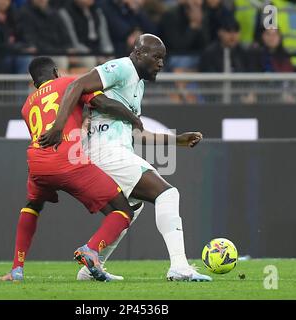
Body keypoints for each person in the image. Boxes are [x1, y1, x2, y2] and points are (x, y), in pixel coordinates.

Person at [39, 34, 212, 282]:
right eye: (157, 57)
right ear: (139, 54)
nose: (161, 64)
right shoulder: (121, 67)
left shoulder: (137, 85)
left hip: (111, 151)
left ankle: (90, 268)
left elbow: (137, 132)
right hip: (105, 149)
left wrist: (177, 140)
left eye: (163, 59)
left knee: (132, 208)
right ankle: (179, 266)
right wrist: (58, 127)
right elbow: (75, 86)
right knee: (167, 194)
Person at [0, 56, 144, 282]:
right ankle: (92, 250)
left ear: (34, 82)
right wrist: (132, 117)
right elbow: (102, 103)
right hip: (67, 159)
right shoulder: (69, 83)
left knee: (32, 206)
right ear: (56, 72)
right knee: (123, 211)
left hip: (37, 163)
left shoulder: (27, 105)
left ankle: (17, 269)